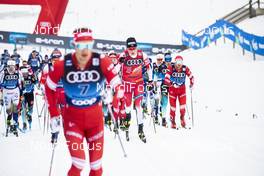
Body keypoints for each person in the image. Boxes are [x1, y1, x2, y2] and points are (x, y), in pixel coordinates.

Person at [45, 28, 123, 176]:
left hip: (95, 122)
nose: (84, 51)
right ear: (75, 46)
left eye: (88, 45)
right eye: (80, 46)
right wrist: (54, 113)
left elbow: (118, 85)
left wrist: (113, 96)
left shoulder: (101, 60)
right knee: (78, 163)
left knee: (96, 166)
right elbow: (49, 88)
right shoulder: (63, 64)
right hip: (72, 121)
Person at [118, 37, 153, 143]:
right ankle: (127, 122)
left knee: (138, 107)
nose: (132, 49)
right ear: (127, 47)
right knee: (128, 107)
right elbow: (115, 68)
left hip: (139, 83)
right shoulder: (123, 55)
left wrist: (150, 81)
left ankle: (141, 130)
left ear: (136, 46)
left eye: (134, 46)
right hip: (127, 84)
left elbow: (149, 68)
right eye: (129, 46)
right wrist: (120, 62)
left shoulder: (142, 54)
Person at [164, 55, 194, 129]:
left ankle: (182, 118)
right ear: (175, 62)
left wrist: (192, 84)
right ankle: (173, 121)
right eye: (177, 62)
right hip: (172, 90)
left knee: (182, 107)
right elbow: (166, 79)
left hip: (182, 90)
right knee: (173, 108)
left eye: (180, 62)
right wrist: (172, 84)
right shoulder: (171, 67)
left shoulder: (185, 68)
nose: (179, 64)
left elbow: (191, 77)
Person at [0, 59, 23, 136]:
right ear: (7, 66)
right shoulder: (3, 73)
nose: (11, 69)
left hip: (15, 91)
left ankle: (15, 123)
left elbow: (20, 83)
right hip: (6, 92)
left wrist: (21, 92)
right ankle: (9, 123)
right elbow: (0, 83)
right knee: (9, 110)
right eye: (10, 67)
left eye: (13, 67)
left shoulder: (18, 72)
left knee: (15, 108)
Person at [20, 66, 37, 130]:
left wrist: (34, 77)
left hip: (30, 94)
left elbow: (36, 82)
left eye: (26, 73)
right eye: (23, 74)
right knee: (23, 109)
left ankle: (29, 116)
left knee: (30, 111)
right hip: (23, 95)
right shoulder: (20, 78)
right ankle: (24, 123)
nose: (25, 75)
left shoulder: (30, 77)